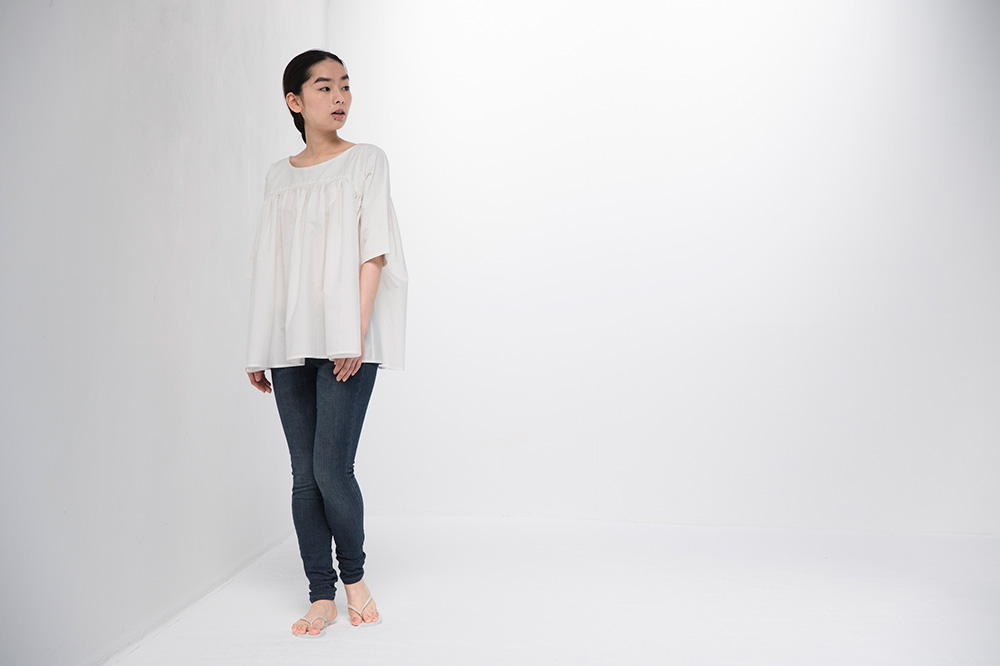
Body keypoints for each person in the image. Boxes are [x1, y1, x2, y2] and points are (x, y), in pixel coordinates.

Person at [244, 49, 408, 637]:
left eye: (345, 85)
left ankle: (354, 579)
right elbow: (271, 264)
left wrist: (353, 334)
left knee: (332, 468)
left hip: (347, 342)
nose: (339, 97)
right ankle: (321, 594)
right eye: (324, 87)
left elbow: (374, 251)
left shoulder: (366, 161)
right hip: (291, 340)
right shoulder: (278, 176)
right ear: (295, 101)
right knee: (304, 475)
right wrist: (259, 346)